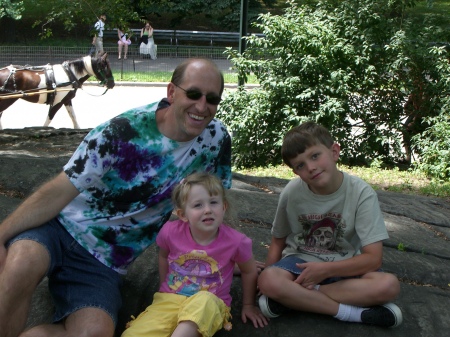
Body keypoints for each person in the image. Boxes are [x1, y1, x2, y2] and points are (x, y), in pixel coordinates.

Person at [0, 58, 231, 337]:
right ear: (171, 92)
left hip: (105, 259)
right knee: (20, 265)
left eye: (212, 99)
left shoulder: (215, 139)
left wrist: (227, 252)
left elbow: (215, 198)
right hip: (57, 227)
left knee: (94, 332)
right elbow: (61, 188)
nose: (202, 106)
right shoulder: (122, 131)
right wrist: (2, 234)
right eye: (193, 94)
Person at [257, 121, 403, 328]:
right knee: (268, 280)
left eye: (315, 156)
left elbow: (373, 259)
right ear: (295, 172)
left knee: (388, 286)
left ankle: (295, 299)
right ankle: (352, 313)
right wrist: (266, 280)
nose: (311, 167)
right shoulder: (292, 192)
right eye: (300, 165)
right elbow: (278, 239)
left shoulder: (361, 193)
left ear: (334, 151)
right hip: (299, 264)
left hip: (344, 265)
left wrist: (325, 270)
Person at [121, 172, 269, 337]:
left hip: (208, 303)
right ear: (183, 214)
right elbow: (164, 256)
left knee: (203, 302)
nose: (207, 210)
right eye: (198, 205)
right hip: (170, 300)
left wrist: (248, 305)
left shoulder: (236, 242)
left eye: (213, 202)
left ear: (223, 207)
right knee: (132, 334)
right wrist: (163, 288)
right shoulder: (170, 232)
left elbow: (249, 270)